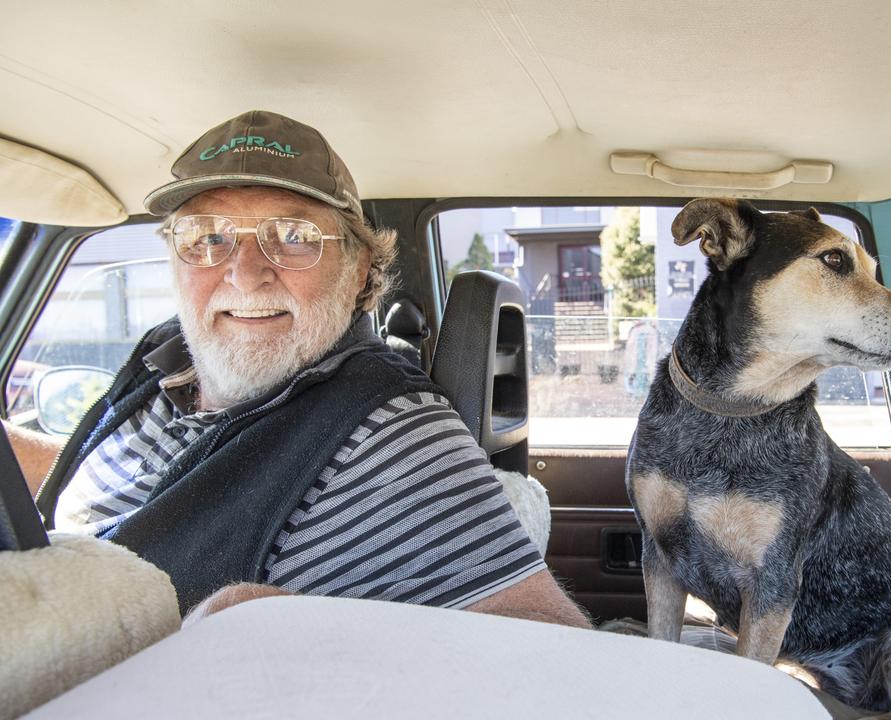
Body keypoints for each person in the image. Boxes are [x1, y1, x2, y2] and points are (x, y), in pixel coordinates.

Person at [2, 110, 590, 628]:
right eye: (207, 236)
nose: (244, 272)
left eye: (294, 236)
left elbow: (548, 639)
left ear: (359, 270)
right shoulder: (168, 353)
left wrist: (302, 636)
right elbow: (113, 487)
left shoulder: (392, 433)